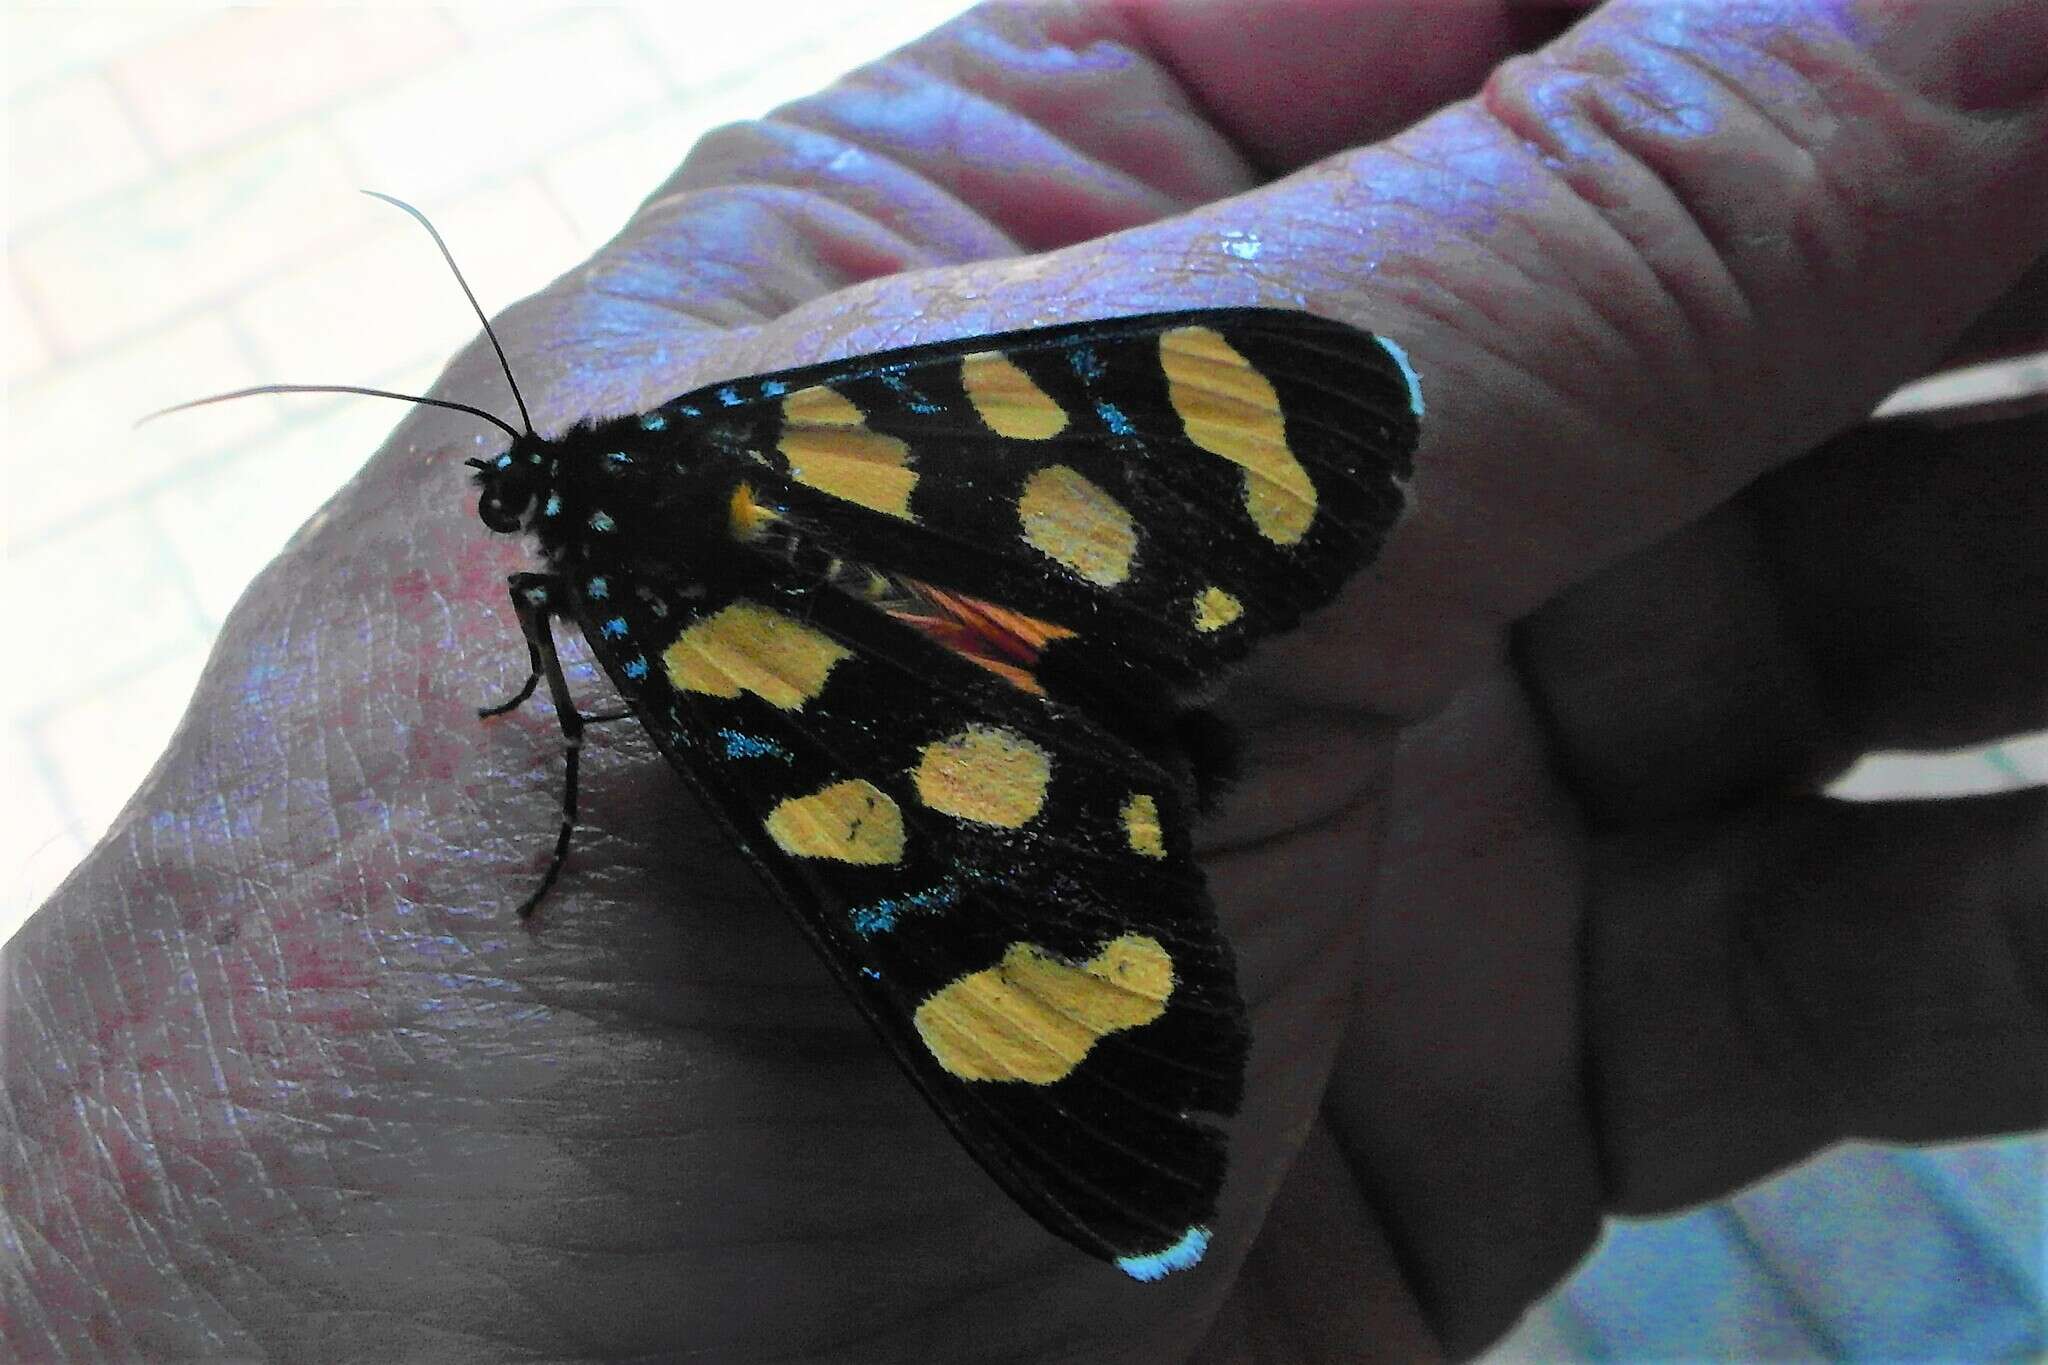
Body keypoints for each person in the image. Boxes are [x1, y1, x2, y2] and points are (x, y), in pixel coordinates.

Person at [6, 0, 2043, 1358]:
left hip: (900, 740)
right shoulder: (747, 436)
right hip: (1026, 608)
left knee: (912, 849)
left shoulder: (621, 604)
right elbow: (1225, 415)